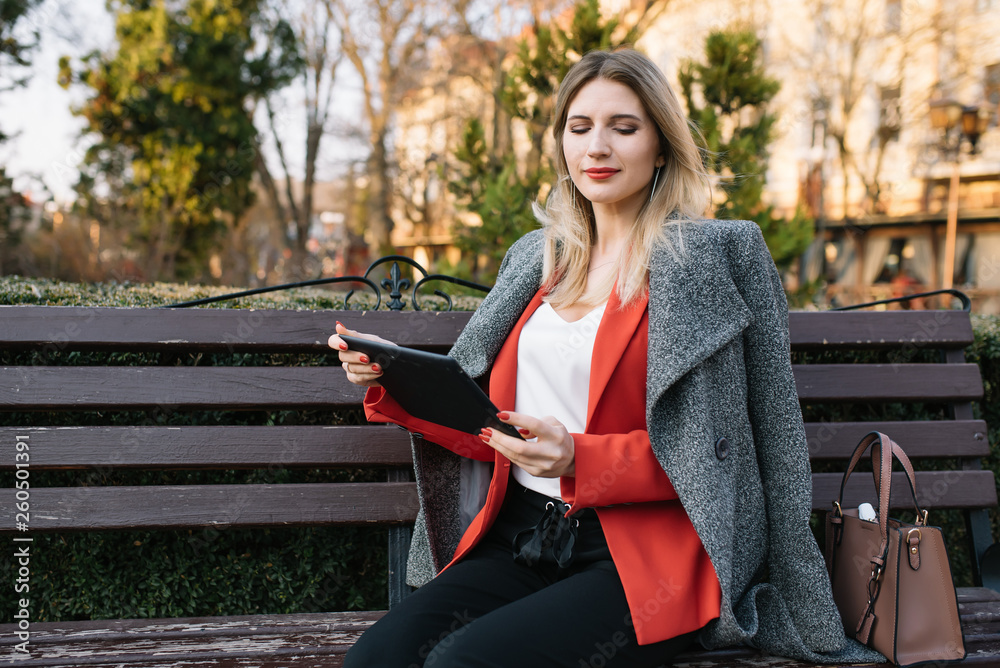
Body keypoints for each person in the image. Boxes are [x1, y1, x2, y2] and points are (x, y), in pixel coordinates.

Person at [330, 48, 881, 667]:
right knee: (375, 659)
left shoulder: (716, 255)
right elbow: (481, 419)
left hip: (646, 558)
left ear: (663, 146)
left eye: (624, 128)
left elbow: (743, 441)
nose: (598, 147)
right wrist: (395, 379)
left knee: (462, 664)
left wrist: (578, 457)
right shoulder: (535, 259)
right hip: (525, 538)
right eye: (580, 127)